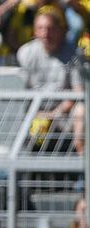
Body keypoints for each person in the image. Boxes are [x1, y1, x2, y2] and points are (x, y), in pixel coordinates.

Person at [17, 8, 85, 154]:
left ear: (60, 30)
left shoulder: (74, 53)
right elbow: (21, 92)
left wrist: (54, 114)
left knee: (81, 109)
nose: (45, 34)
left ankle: (82, 159)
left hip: (64, 112)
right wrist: (37, 114)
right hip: (33, 112)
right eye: (40, 28)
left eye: (50, 29)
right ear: (34, 31)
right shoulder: (25, 53)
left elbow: (78, 93)